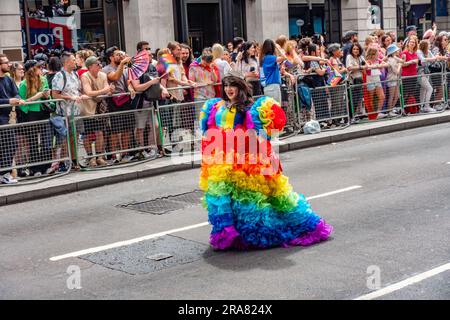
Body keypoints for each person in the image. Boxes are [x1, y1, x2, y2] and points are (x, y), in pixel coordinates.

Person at [199, 74, 333, 250]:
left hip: (244, 159)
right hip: (220, 159)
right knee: (223, 197)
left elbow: (260, 135)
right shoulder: (215, 106)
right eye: (225, 86)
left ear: (240, 87)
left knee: (247, 198)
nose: (228, 89)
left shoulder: (250, 107)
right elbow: (209, 130)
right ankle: (228, 233)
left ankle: (256, 233)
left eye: (232, 85)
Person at [18, 60, 53, 176]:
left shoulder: (43, 80)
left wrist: (47, 96)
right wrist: (27, 111)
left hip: (43, 111)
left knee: (46, 140)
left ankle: (46, 166)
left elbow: (48, 96)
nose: (41, 69)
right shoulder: (24, 84)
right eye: (38, 67)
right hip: (31, 114)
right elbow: (21, 101)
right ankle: (35, 168)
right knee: (33, 142)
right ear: (32, 69)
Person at [80, 56, 114, 167]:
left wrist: (107, 91)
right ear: (90, 66)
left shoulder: (103, 75)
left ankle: (99, 156)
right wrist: (105, 90)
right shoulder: (85, 76)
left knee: (100, 133)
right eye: (97, 64)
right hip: (88, 109)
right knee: (87, 134)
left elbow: (107, 91)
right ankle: (91, 158)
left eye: (99, 63)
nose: (100, 65)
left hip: (100, 108)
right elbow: (88, 92)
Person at [0, 54, 26, 184]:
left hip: (8, 116)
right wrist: (9, 100)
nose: (9, 64)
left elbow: (15, 92)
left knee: (11, 144)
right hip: (1, 118)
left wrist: (17, 99)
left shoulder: (8, 79)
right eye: (6, 62)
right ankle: (4, 173)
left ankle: (5, 173)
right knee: (8, 145)